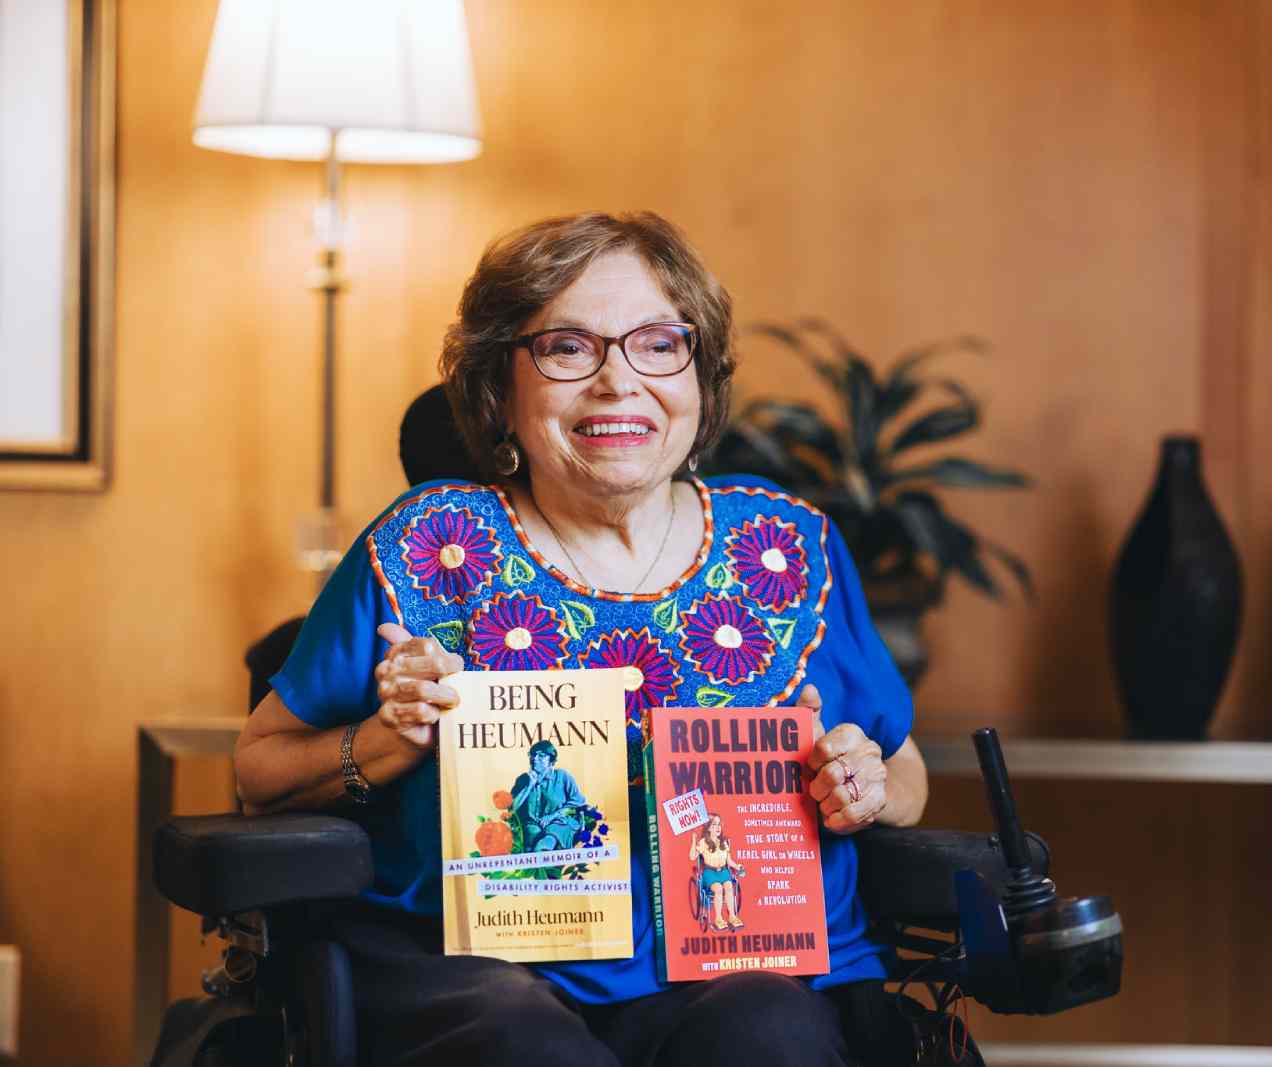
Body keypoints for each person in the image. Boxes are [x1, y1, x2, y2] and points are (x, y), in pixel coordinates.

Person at [233, 211, 929, 1067]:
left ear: (701, 376)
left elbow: (906, 768)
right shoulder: (426, 544)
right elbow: (257, 768)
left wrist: (862, 785)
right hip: (475, 973)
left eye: (659, 343)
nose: (618, 382)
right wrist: (386, 739)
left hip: (747, 963)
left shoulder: (790, 544)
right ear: (501, 388)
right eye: (568, 347)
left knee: (768, 1037)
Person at [512, 740, 586, 852]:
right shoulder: (523, 779)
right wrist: (529, 785)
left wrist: (552, 816)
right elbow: (511, 809)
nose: (535, 759)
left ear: (551, 761)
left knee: (543, 846)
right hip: (533, 825)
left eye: (541, 756)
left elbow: (576, 804)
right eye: (533, 755)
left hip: (559, 823)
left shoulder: (562, 777)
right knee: (531, 837)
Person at [691, 812, 746, 931]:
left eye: (719, 824)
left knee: (729, 886)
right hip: (710, 873)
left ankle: (732, 916)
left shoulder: (723, 843)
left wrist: (738, 867)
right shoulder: (703, 843)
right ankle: (718, 918)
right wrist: (694, 840)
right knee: (718, 889)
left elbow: (729, 861)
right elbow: (692, 857)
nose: (718, 827)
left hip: (724, 872)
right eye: (714, 824)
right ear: (708, 828)